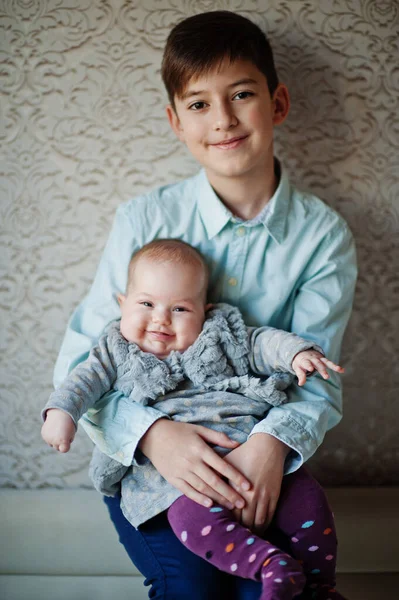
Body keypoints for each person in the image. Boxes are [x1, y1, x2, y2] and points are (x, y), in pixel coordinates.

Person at [50, 10, 357, 600]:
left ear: (278, 102)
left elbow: (318, 374)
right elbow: (83, 364)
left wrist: (271, 447)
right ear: (175, 121)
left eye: (242, 94)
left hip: (262, 454)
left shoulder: (323, 236)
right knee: (192, 586)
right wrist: (155, 435)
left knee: (274, 588)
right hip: (155, 470)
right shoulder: (144, 221)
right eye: (198, 104)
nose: (223, 120)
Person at [42, 239, 345, 600]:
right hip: (177, 481)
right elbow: (83, 380)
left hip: (251, 457)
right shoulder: (114, 349)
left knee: (309, 499)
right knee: (190, 520)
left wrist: (296, 354)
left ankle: (319, 585)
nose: (160, 318)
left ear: (205, 312)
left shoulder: (221, 334)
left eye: (180, 309)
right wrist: (61, 413)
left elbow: (262, 343)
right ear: (122, 304)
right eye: (146, 303)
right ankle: (268, 564)